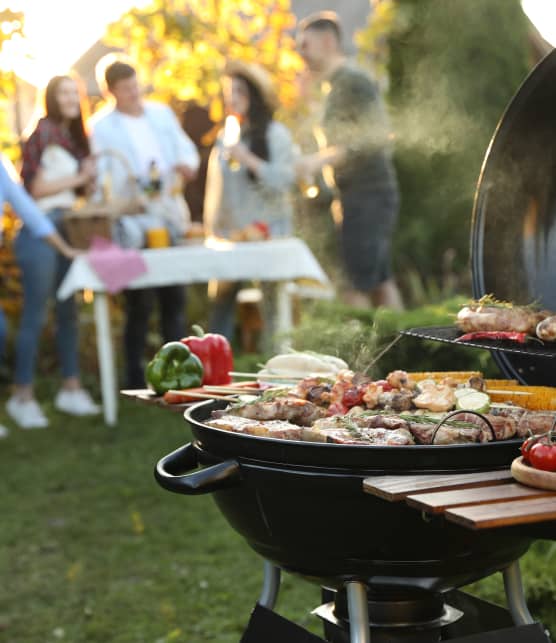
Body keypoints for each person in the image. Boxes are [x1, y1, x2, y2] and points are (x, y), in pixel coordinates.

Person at [89, 57, 200, 387]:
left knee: (173, 297)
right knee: (139, 301)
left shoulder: (161, 114)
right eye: (125, 89)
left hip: (168, 214)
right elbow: (103, 176)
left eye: (135, 86)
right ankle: (136, 379)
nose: (133, 94)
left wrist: (186, 165)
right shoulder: (102, 127)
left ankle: (179, 375)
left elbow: (185, 150)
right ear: (111, 92)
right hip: (133, 221)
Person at [6, 75, 100, 430]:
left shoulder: (76, 141)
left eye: (73, 92)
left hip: (69, 229)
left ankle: (71, 388)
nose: (70, 98)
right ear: (50, 98)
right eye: (62, 93)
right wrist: (78, 179)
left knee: (68, 310)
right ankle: (22, 396)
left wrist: (87, 178)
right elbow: (36, 189)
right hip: (40, 233)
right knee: (36, 313)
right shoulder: (42, 134)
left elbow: (78, 194)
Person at [295, 11, 404, 310]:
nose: (300, 53)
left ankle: (361, 352)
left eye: (304, 44)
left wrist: (316, 162)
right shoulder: (334, 87)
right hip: (359, 196)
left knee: (354, 284)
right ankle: (401, 349)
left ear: (329, 41)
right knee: (380, 280)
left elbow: (373, 136)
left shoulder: (353, 80)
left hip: (368, 194)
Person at [203, 60, 297, 342]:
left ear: (254, 95)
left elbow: (284, 179)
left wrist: (250, 160)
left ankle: (278, 369)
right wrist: (213, 227)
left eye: (240, 91)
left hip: (268, 232)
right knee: (221, 304)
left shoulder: (276, 134)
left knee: (273, 306)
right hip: (233, 236)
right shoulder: (226, 136)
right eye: (229, 92)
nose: (233, 98)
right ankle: (216, 372)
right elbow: (216, 188)